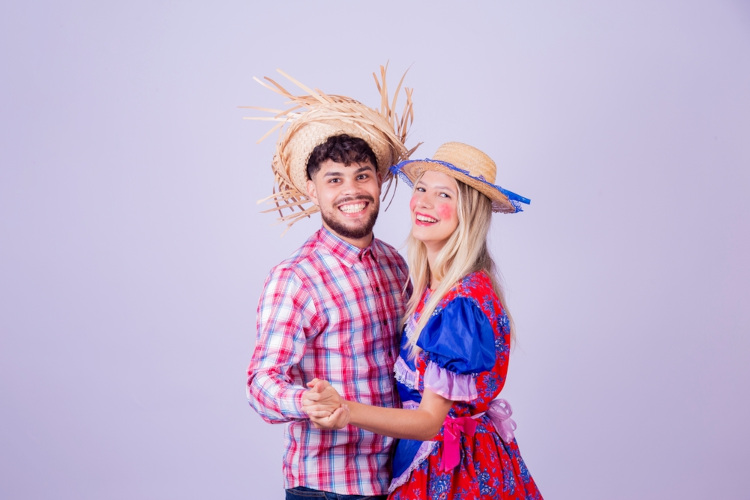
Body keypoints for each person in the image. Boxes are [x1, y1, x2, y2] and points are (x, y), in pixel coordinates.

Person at [303, 142, 543, 499]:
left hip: (455, 472)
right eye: (421, 189)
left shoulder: (459, 302)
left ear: (469, 211)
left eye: (443, 194)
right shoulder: (431, 287)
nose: (425, 203)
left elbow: (431, 421)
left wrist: (345, 410)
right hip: (439, 459)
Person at [245, 67, 418, 500]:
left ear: (379, 180)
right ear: (311, 190)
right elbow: (261, 382)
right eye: (334, 180)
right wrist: (305, 402)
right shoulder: (297, 278)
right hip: (328, 487)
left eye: (362, 175)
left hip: (395, 478)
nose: (352, 190)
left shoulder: (397, 266)